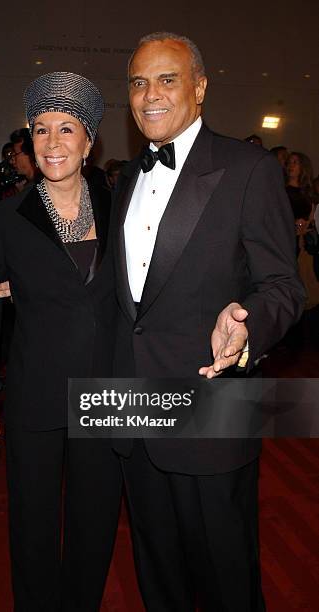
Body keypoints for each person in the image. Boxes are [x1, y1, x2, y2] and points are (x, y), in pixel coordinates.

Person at [109, 32, 304, 612]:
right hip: (135, 413)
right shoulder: (124, 178)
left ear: (199, 87)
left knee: (226, 582)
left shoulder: (248, 169)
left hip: (212, 407)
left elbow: (283, 286)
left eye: (167, 79)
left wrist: (248, 324)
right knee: (158, 577)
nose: (150, 95)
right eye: (139, 82)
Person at [0, 72, 122, 612]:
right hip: (35, 391)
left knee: (95, 518)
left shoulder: (119, 206)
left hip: (105, 391)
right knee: (32, 520)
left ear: (89, 140)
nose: (52, 143)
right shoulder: (5, 218)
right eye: (40, 131)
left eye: (66, 129)